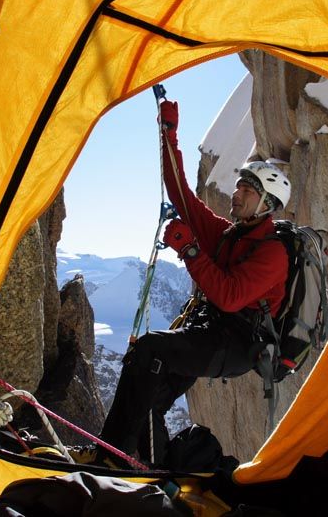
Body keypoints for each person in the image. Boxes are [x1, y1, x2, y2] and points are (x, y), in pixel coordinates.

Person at [90, 99, 291, 468]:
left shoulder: (272, 253)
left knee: (149, 350)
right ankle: (155, 466)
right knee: (148, 389)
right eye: (239, 187)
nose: (237, 193)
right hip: (211, 332)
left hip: (236, 344)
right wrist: (169, 136)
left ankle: (111, 457)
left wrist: (191, 250)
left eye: (247, 190)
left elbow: (229, 296)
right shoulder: (228, 235)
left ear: (267, 203)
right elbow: (180, 193)